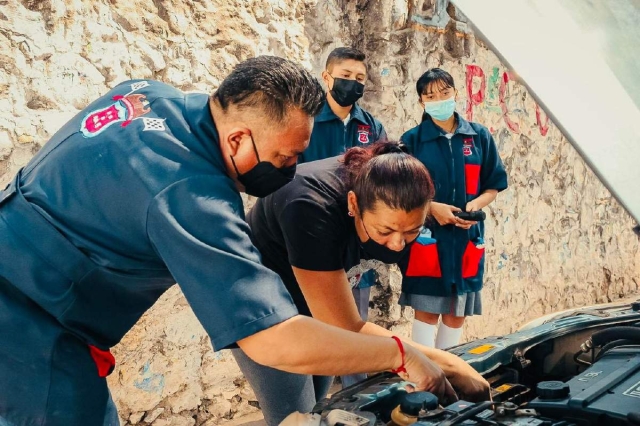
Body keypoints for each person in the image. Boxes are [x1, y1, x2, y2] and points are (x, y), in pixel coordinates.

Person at [0, 57, 453, 426]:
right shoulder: (191, 196)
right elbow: (272, 341)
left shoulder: (145, 93)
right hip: (27, 327)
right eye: (285, 156)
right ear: (237, 137)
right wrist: (399, 353)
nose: (291, 170)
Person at [238, 142, 492, 426]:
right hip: (260, 305)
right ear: (353, 204)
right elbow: (344, 327)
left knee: (322, 404)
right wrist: (446, 362)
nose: (397, 244)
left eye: (411, 231)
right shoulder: (308, 206)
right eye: (385, 231)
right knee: (299, 417)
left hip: (314, 295)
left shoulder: (387, 176)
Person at [398, 68, 508, 350]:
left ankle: (449, 369)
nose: (439, 99)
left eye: (445, 93)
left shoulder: (479, 136)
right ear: (422, 102)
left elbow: (493, 185)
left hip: (467, 237)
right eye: (430, 95)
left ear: (456, 93)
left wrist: (475, 206)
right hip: (427, 235)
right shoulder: (411, 141)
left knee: (457, 312)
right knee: (426, 309)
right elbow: (401, 189)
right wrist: (432, 208)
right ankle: (422, 371)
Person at [299, 47, 388, 388]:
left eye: (360, 78)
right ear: (327, 77)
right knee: (313, 322)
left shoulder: (370, 126)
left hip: (354, 238)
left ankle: (358, 396)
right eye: (346, 76)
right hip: (311, 232)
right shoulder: (306, 118)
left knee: (355, 322)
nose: (353, 84)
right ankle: (311, 401)